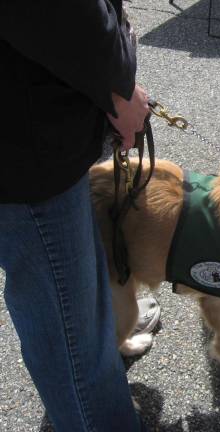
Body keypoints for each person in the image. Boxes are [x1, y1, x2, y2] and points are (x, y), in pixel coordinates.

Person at [0, 1, 159, 431]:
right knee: (67, 326)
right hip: (24, 144)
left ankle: (105, 324)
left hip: (32, 118)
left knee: (76, 287)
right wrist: (119, 86)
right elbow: (61, 14)